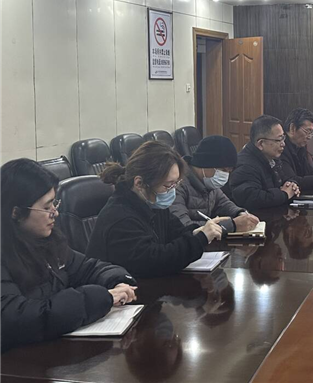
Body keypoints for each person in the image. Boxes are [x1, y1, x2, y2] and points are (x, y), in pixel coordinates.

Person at [1, 159, 137, 352]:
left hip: (50, 351)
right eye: (46, 208)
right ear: (16, 212)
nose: (55, 213)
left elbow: (88, 267)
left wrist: (118, 281)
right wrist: (98, 298)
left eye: (54, 204)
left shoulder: (45, 241)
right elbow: (18, 319)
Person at [86, 141, 227, 278]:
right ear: (140, 183)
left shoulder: (153, 203)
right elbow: (154, 260)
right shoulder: (121, 218)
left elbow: (177, 232)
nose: (172, 191)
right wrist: (199, 240)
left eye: (175, 184)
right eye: (168, 185)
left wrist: (196, 233)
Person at [170, 135, 259, 232]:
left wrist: (240, 213)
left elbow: (223, 203)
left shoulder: (208, 182)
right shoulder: (176, 185)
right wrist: (231, 225)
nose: (225, 175)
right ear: (204, 164)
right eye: (223, 170)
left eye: (229, 171)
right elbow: (184, 226)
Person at [230, 115, 301, 209]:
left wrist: (292, 186)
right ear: (261, 144)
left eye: (283, 138)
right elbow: (252, 199)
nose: (283, 144)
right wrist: (284, 194)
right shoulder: (245, 166)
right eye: (278, 140)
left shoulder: (272, 159)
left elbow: (286, 180)